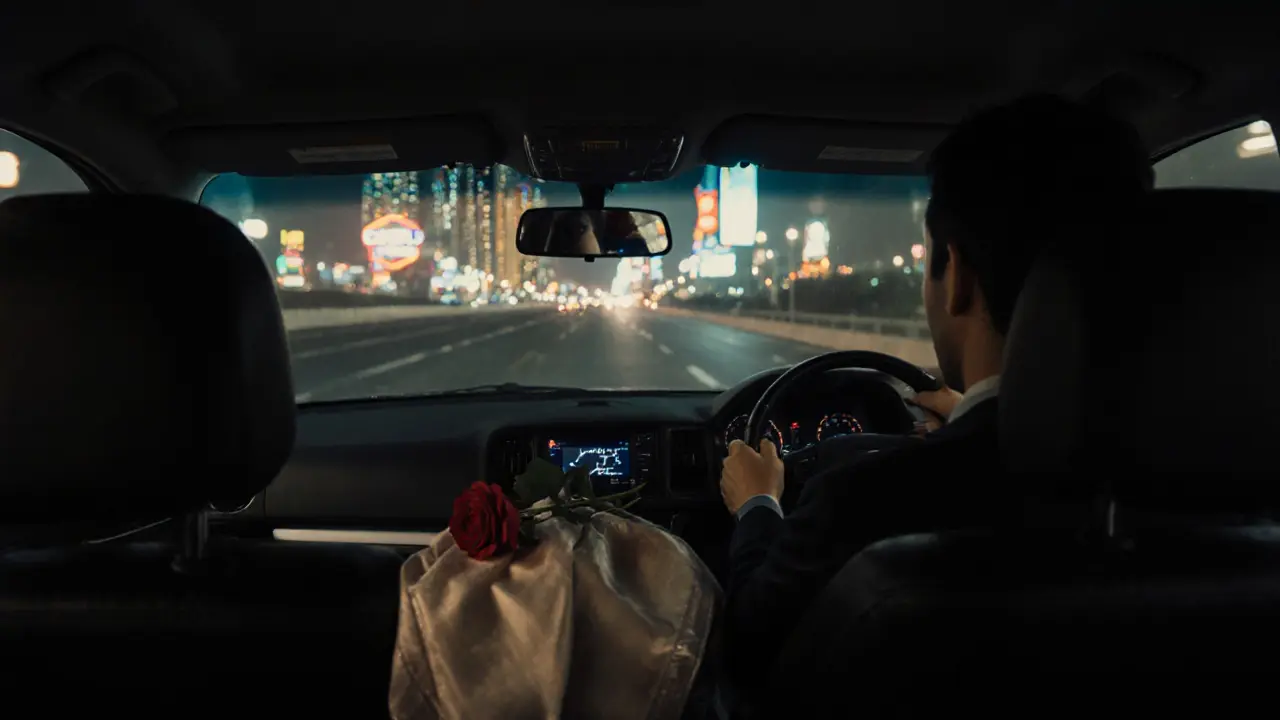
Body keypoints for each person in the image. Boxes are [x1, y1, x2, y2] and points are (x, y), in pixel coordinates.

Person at [715, 95, 1153, 702]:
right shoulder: (1234, 479)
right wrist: (975, 412)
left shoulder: (864, 501)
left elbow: (747, 653)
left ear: (958, 275)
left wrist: (759, 504)